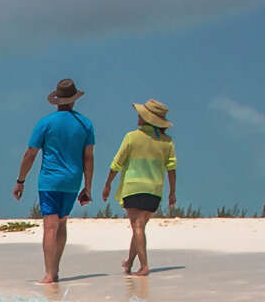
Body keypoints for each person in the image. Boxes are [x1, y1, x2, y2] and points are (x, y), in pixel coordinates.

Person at [11, 78, 95, 284]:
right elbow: (88, 157)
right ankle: (55, 269)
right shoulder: (85, 124)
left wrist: (20, 180)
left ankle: (50, 274)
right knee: (62, 223)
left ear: (57, 101)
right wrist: (88, 186)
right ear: (74, 101)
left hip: (50, 180)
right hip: (72, 181)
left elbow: (30, 154)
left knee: (50, 226)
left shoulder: (45, 123)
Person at [100, 99, 176, 276]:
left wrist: (107, 184)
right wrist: (172, 192)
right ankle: (129, 263)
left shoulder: (132, 137)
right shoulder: (167, 142)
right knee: (139, 227)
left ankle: (144, 266)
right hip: (155, 191)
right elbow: (171, 169)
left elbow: (117, 163)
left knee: (137, 227)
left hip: (134, 187)